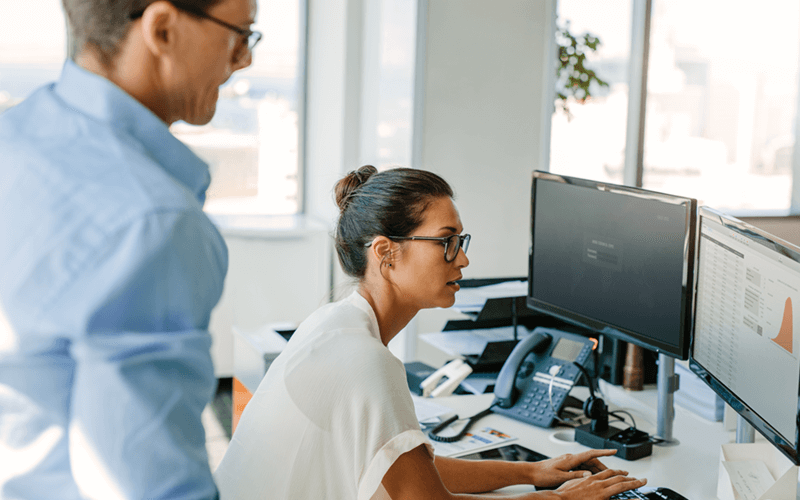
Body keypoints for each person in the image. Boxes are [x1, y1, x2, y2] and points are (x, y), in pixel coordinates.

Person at [213, 165, 647, 499]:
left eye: (461, 242)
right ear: (387, 253)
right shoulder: (362, 360)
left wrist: (534, 473)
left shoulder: (335, 323)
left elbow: (411, 470)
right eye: (447, 241)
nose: (462, 261)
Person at [0, 0, 260, 498]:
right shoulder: (152, 221)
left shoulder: (16, 137)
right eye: (240, 34)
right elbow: (150, 487)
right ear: (162, 29)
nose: (244, 59)